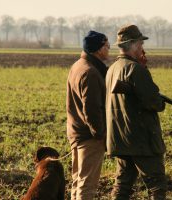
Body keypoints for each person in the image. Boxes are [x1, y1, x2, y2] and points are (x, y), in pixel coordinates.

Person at [105, 25, 167, 200]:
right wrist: (160, 101)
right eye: (140, 43)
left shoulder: (112, 68)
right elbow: (153, 102)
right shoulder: (136, 69)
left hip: (120, 138)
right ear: (132, 44)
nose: (142, 47)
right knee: (157, 185)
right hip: (140, 140)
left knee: (123, 184)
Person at [66, 30, 110, 200]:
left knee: (78, 182)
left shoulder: (78, 65)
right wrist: (100, 135)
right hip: (89, 137)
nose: (109, 49)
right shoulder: (90, 72)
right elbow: (91, 110)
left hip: (77, 133)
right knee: (87, 186)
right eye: (107, 46)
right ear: (98, 49)